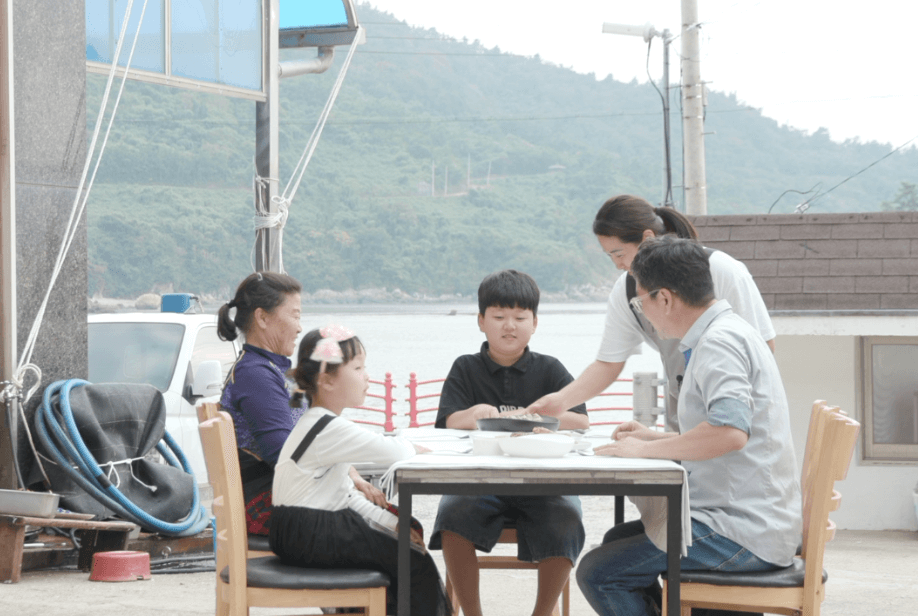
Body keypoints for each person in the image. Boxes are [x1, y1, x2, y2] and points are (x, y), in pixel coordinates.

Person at [575, 236, 801, 616]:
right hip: (752, 519)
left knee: (599, 573)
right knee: (617, 539)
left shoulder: (719, 343)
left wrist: (646, 450)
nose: (644, 313)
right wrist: (655, 437)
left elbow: (729, 432)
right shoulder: (727, 331)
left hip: (742, 533)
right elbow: (720, 429)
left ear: (664, 298)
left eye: (641, 302)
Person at [527, 194, 775, 431]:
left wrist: (735, 415)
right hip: (683, 412)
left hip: (738, 417)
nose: (617, 264)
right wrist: (560, 401)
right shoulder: (626, 290)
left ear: (647, 238)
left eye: (619, 254)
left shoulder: (723, 271)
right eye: (610, 256)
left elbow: (762, 349)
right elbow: (609, 362)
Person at [429, 269, 589, 616]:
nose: (509, 326)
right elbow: (449, 421)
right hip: (478, 480)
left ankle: (541, 613)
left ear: (535, 323)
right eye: (499, 317)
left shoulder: (550, 369)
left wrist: (541, 417)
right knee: (452, 515)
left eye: (519, 317)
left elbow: (581, 421)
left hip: (544, 482)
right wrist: (474, 413)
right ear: (481, 321)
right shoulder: (466, 367)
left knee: (567, 517)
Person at [270, 326, 451, 616]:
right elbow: (395, 451)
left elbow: (343, 494)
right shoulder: (328, 426)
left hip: (300, 530)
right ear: (326, 380)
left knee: (405, 533)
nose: (367, 376)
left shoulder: (320, 422)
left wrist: (390, 522)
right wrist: (414, 447)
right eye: (358, 368)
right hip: (310, 532)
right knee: (413, 562)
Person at [218, 272, 384, 536]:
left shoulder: (274, 372)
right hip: (269, 505)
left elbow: (310, 435)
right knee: (391, 528)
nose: (299, 327)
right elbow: (285, 455)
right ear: (262, 318)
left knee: (391, 521)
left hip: (284, 497)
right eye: (295, 316)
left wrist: (351, 474)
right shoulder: (255, 375)